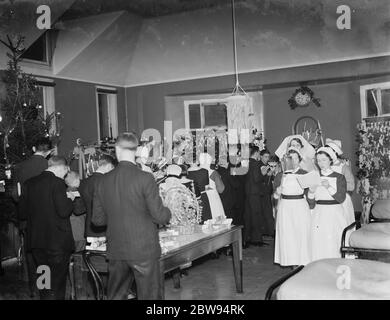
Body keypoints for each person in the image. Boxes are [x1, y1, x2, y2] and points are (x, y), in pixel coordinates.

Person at [92, 132, 171, 300]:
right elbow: (160, 217)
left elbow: (97, 220)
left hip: (116, 249)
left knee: (116, 296)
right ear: (136, 151)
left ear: (116, 150)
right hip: (144, 249)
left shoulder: (102, 181)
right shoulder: (145, 178)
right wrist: (169, 210)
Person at [18, 156, 74, 300]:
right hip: (57, 244)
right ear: (60, 167)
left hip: (37, 243)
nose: (65, 175)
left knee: (44, 280)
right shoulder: (57, 183)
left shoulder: (29, 184)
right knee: (57, 283)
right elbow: (64, 211)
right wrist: (70, 199)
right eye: (65, 172)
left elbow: (22, 213)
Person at [14, 138, 53, 295]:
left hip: (27, 218)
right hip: (46, 218)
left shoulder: (20, 167)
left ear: (33, 148)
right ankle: (45, 287)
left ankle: (33, 289)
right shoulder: (49, 166)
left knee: (30, 255)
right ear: (49, 152)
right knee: (45, 256)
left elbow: (15, 195)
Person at [274, 147, 312, 267]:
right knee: (288, 236)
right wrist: (277, 193)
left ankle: (303, 264)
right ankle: (292, 264)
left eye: (296, 158)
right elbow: (274, 197)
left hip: (300, 207)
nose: (293, 161)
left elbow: (310, 195)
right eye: (291, 158)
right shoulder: (280, 175)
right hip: (285, 208)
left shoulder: (304, 174)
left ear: (299, 160)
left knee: (301, 235)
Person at [308, 147, 348, 261]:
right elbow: (310, 202)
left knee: (333, 240)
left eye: (324, 160)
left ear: (330, 160)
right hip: (319, 212)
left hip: (334, 212)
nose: (321, 163)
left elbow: (341, 198)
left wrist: (328, 187)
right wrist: (311, 191)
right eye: (319, 160)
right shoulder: (314, 176)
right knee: (319, 241)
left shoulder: (339, 177)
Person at [79, 155, 116, 238]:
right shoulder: (106, 182)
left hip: (89, 227)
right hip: (104, 228)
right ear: (109, 166)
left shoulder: (84, 182)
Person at [325, 138, 355, 226]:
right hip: (326, 201)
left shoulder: (343, 167)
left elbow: (351, 185)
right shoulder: (322, 167)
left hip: (341, 200)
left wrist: (336, 187)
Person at [244, 145, 269, 247]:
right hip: (255, 193)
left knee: (249, 216)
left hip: (248, 192)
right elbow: (256, 178)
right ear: (257, 153)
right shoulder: (255, 164)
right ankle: (257, 239)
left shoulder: (246, 163)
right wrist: (264, 173)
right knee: (256, 215)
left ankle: (248, 238)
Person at [65, 171, 87, 252]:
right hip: (77, 226)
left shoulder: (67, 190)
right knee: (80, 249)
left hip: (72, 226)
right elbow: (78, 210)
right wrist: (88, 207)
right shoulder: (74, 191)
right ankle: (79, 264)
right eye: (78, 179)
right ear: (75, 181)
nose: (80, 181)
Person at [258, 149, 275, 238]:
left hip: (267, 191)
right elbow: (261, 179)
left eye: (268, 157)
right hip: (262, 192)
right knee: (266, 212)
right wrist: (269, 174)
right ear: (260, 156)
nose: (267, 158)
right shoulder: (259, 166)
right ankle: (269, 231)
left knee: (268, 211)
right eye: (265, 156)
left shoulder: (267, 165)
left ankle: (269, 231)